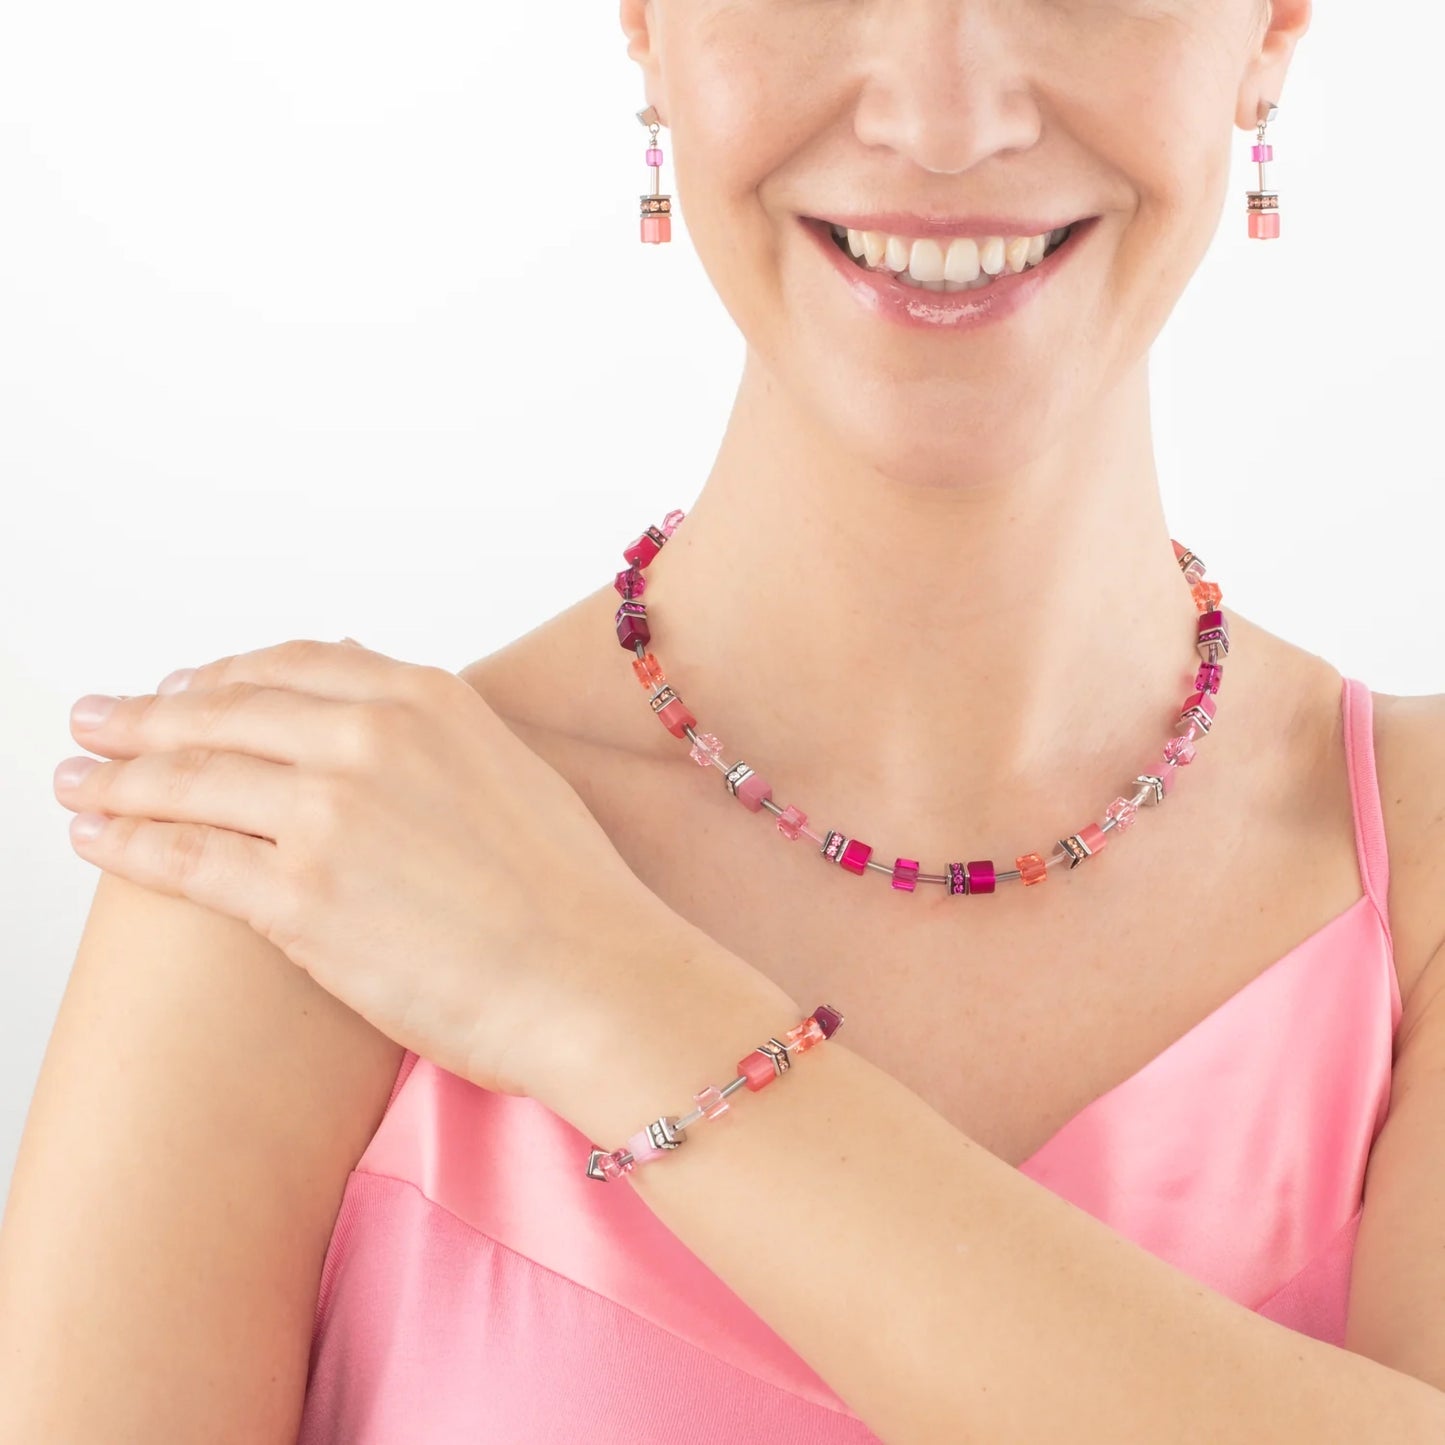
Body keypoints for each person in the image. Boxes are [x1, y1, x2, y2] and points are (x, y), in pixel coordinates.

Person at [4, 0, 1445, 1439]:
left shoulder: (1419, 875)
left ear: (1270, 29)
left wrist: (598, 986)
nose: (942, 119)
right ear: (642, 21)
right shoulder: (296, 874)